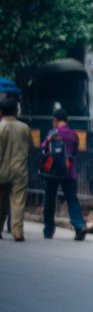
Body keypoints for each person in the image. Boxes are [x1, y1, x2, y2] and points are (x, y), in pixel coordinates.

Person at [41, 108, 88, 241]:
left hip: (52, 172)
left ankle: (49, 229)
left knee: (50, 199)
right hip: (69, 172)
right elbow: (74, 151)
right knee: (72, 199)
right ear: (67, 120)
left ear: (55, 120)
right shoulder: (73, 134)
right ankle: (79, 225)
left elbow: (44, 147)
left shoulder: (52, 133)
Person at [0, 99, 34, 242]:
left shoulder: (1, 127)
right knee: (18, 202)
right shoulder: (24, 128)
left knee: (1, 202)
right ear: (16, 111)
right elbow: (31, 147)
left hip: (1, 170)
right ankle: (18, 231)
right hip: (19, 169)